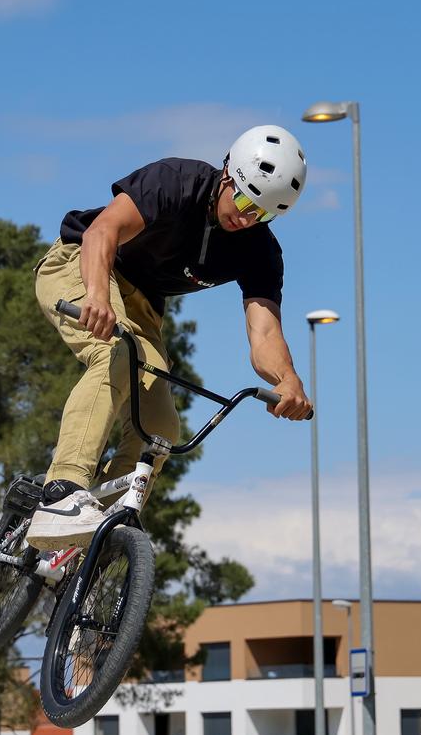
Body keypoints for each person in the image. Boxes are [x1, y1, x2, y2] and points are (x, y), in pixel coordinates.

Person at [25, 126, 316, 550]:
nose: (247, 218)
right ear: (228, 174)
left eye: (263, 213)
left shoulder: (260, 251)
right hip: (83, 266)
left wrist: (289, 381)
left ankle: (90, 532)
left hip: (142, 307)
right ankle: (63, 491)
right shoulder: (177, 182)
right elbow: (101, 233)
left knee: (161, 427)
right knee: (115, 355)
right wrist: (97, 296)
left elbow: (265, 330)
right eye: (243, 199)